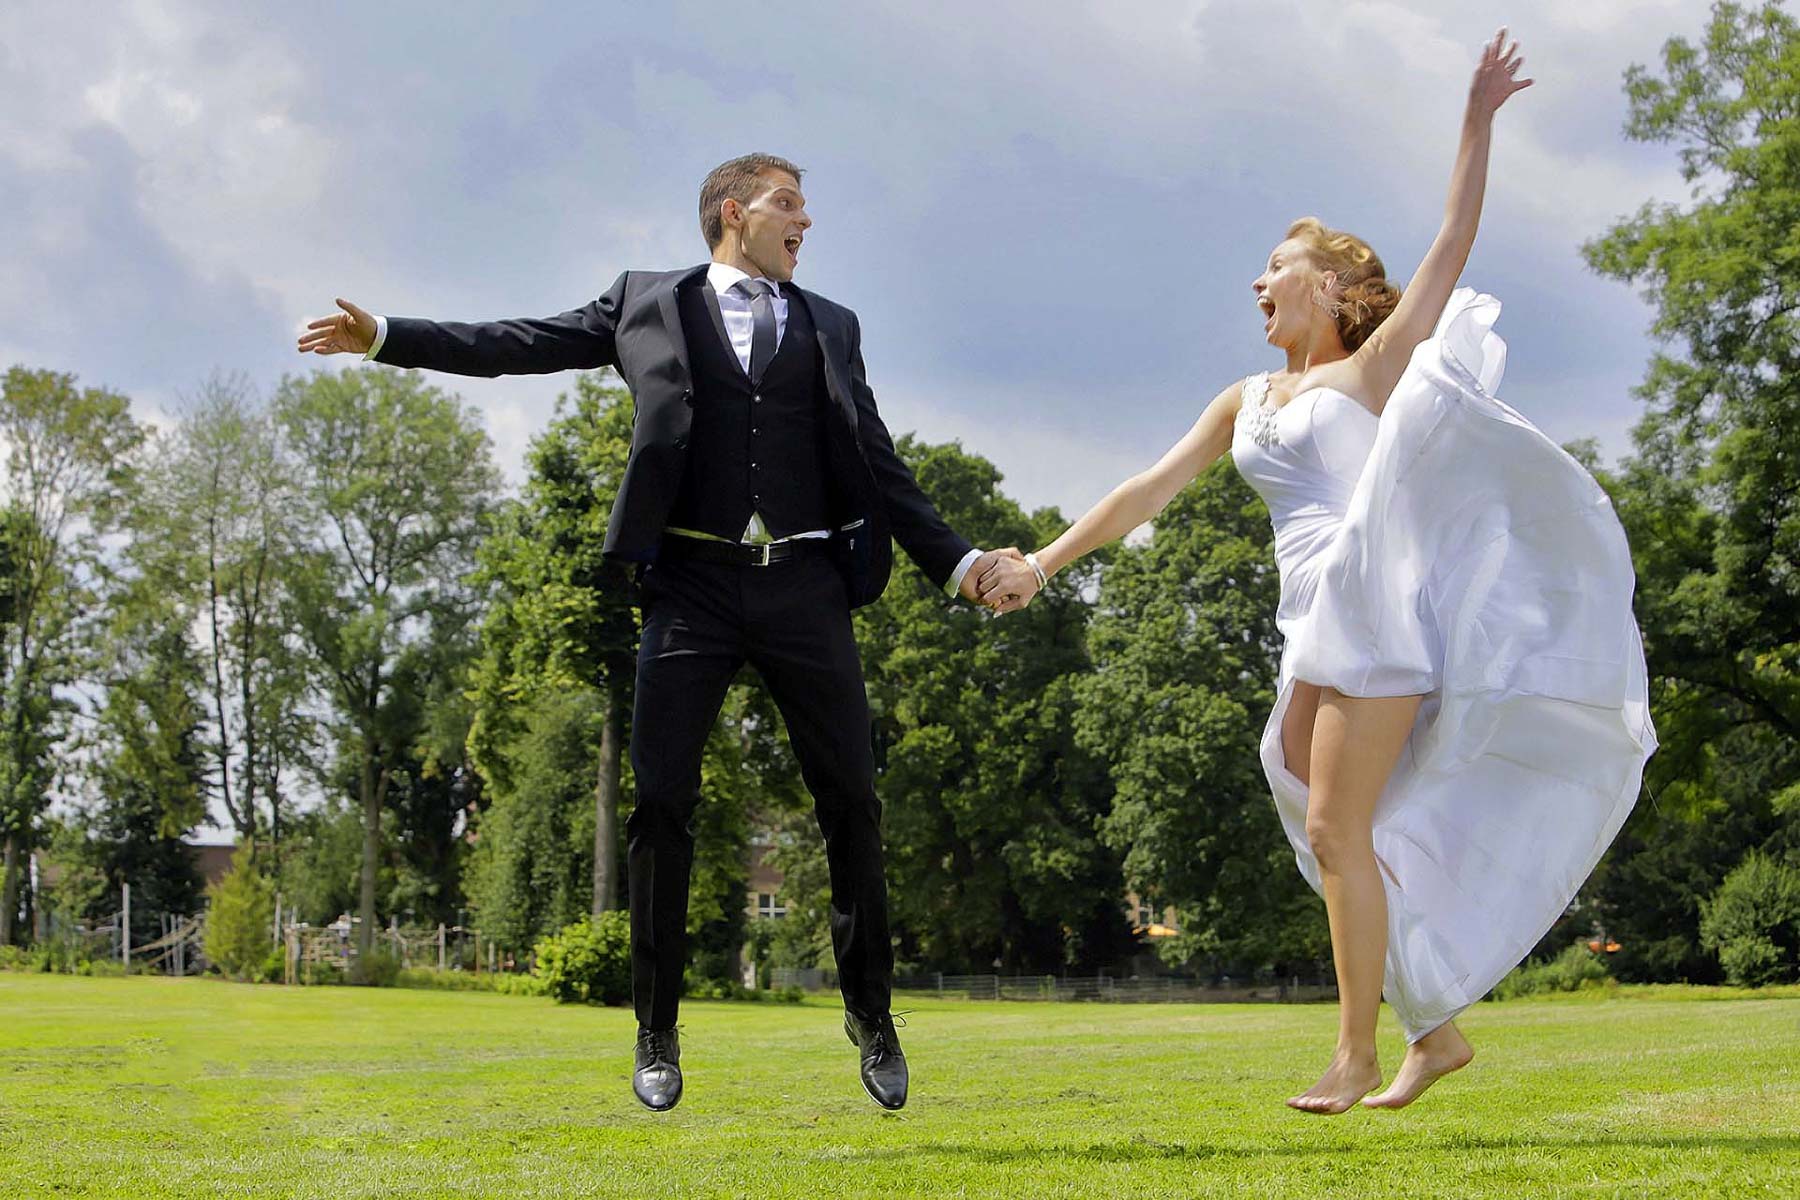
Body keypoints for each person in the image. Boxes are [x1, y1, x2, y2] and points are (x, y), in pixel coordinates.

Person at [977, 31, 1656, 1112]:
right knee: (1316, 813)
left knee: (1338, 826)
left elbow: (1454, 240)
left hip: (1376, 612)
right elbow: (1147, 491)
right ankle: (1432, 1027)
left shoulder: (1372, 371)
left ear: (1332, 286)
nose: (1258, 281)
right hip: (1310, 623)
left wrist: (1476, 122)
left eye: (1277, 266)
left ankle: (1359, 1053)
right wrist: (1045, 562)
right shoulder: (1246, 398)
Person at [298, 153, 1007, 1113]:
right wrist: (386, 335)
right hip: (690, 584)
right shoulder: (644, 302)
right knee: (660, 806)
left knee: (851, 800)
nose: (808, 219)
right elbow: (517, 341)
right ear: (733, 213)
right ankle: (657, 1029)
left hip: (804, 585)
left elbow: (879, 464)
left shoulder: (832, 326)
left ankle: (871, 1014)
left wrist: (961, 565)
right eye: (788, 203)